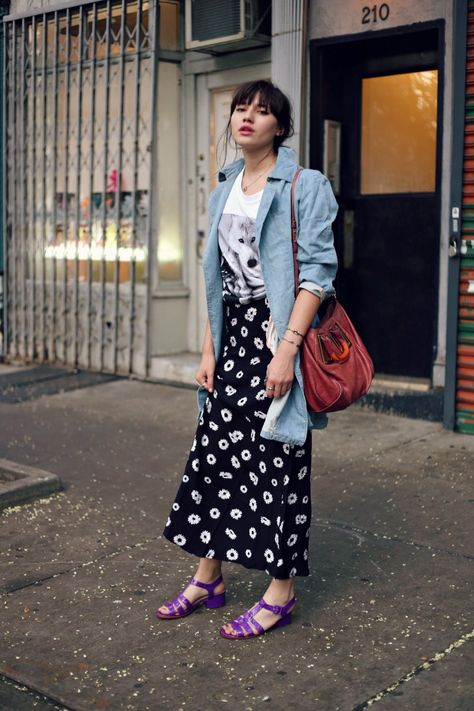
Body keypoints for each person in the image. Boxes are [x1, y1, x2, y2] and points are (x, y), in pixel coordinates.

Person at [157, 80, 338, 639]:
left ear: (279, 128)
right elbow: (219, 281)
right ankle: (208, 576)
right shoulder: (224, 189)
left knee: (279, 462)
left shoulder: (305, 187)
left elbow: (317, 274)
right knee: (214, 454)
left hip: (277, 338)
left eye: (263, 112)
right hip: (232, 338)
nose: (247, 117)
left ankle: (280, 591)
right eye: (241, 108)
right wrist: (210, 348)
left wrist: (286, 350)